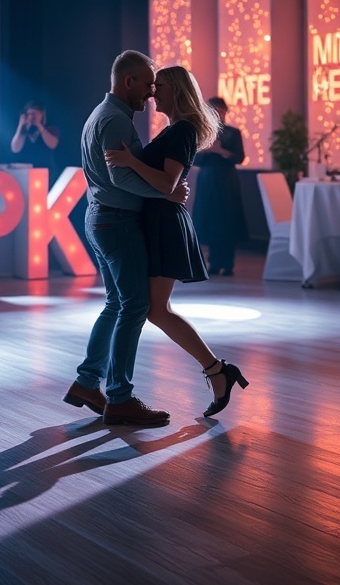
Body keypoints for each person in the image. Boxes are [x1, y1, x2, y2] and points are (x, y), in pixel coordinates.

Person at [105, 66, 249, 417]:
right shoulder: (175, 129)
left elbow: (168, 183)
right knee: (153, 309)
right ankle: (217, 371)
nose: (153, 92)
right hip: (159, 221)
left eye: (161, 86)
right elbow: (169, 185)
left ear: (178, 92)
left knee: (155, 309)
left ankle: (216, 369)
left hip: (165, 226)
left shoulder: (182, 130)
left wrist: (129, 161)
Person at [63, 50, 188, 427]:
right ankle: (119, 397)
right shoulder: (116, 119)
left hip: (100, 218)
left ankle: (87, 382)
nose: (152, 92)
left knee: (117, 304)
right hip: (116, 221)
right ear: (128, 81)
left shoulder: (101, 115)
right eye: (148, 83)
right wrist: (166, 192)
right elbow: (122, 178)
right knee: (133, 306)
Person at [192, 96, 245, 276]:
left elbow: (239, 157)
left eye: (219, 110)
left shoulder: (233, 132)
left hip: (227, 180)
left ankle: (228, 262)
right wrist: (207, 150)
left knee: (228, 219)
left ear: (225, 111)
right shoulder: (203, 132)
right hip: (207, 180)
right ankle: (213, 262)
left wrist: (221, 151)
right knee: (210, 219)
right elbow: (195, 159)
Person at [10, 101, 59, 185]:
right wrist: (21, 125)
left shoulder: (50, 129)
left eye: (35, 114)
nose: (32, 117)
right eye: (29, 114)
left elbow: (53, 144)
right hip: (25, 171)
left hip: (45, 171)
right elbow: (15, 148)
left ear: (42, 115)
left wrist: (39, 125)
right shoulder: (23, 131)